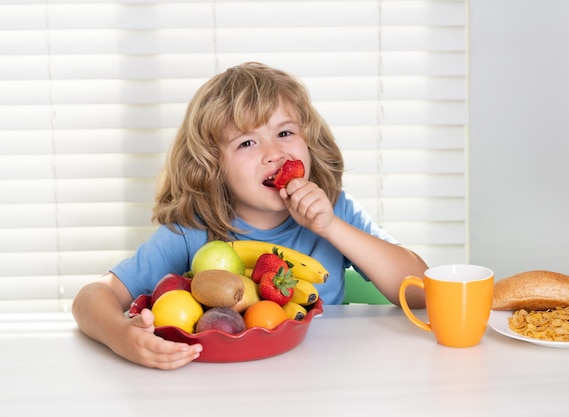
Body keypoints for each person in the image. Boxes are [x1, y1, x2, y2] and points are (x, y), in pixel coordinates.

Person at [72, 62, 428, 369]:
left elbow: (424, 291)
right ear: (212, 166)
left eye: (285, 132)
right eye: (246, 142)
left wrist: (332, 227)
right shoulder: (193, 229)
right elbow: (91, 297)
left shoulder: (336, 209)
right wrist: (122, 338)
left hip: (320, 380)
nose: (274, 152)